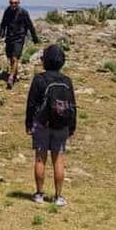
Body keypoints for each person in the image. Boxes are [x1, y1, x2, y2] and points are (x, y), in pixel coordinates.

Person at [25, 44, 77, 206]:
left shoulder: (39, 79)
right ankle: (58, 197)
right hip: (61, 126)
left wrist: (29, 123)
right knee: (58, 160)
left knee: (40, 159)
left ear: (44, 60)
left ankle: (39, 194)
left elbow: (31, 104)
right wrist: (71, 126)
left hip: (41, 124)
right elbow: (73, 106)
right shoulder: (67, 81)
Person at [0, 0, 39, 89]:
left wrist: (35, 38)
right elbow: (3, 24)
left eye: (15, 3)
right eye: (11, 3)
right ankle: (14, 74)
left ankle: (11, 78)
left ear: (19, 3)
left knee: (15, 58)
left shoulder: (23, 12)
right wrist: (1, 35)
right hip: (9, 38)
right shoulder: (7, 11)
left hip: (19, 38)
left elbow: (30, 25)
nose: (13, 5)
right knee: (11, 57)